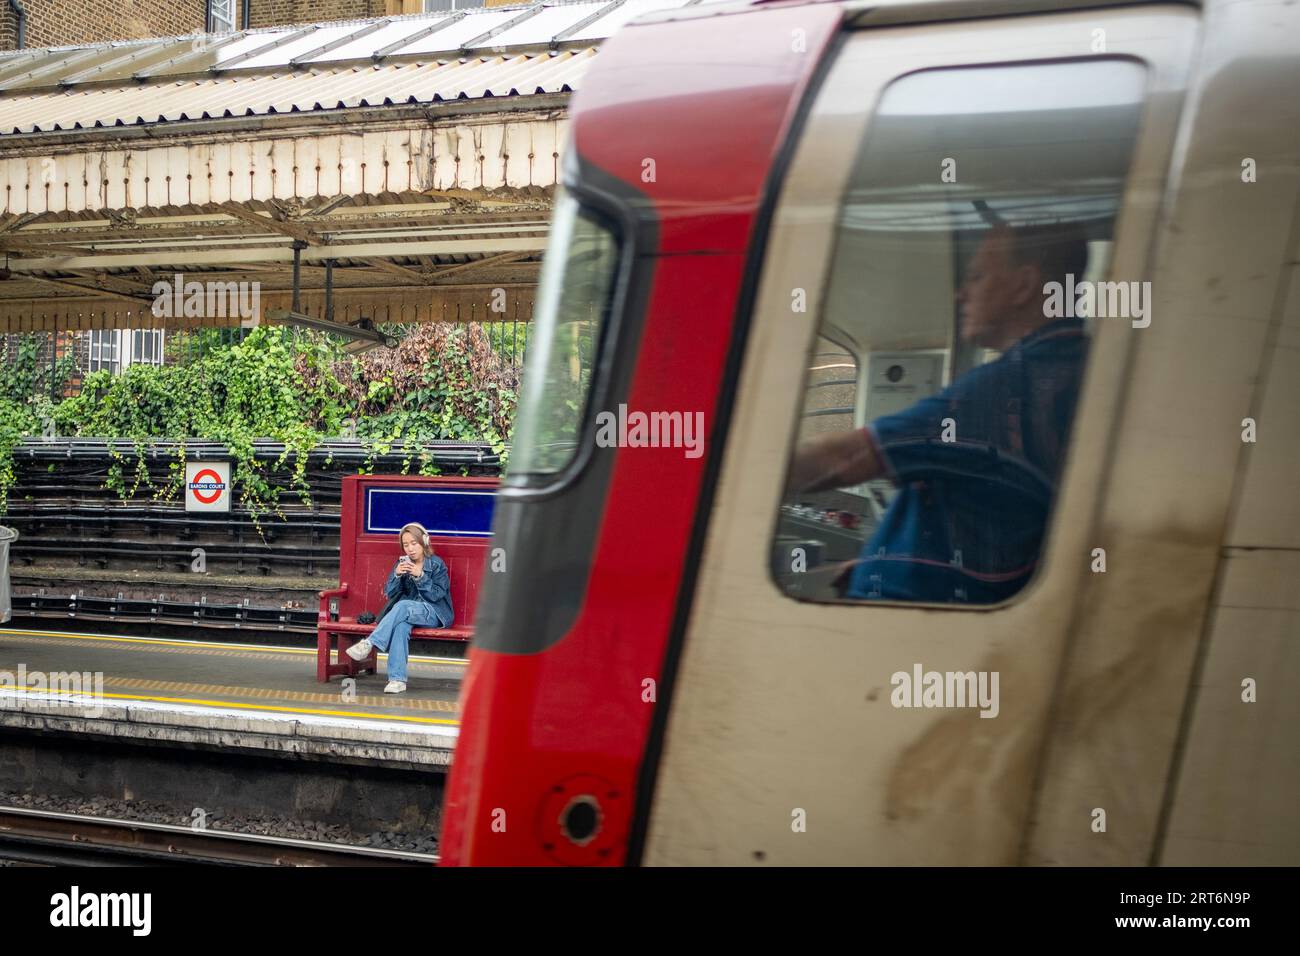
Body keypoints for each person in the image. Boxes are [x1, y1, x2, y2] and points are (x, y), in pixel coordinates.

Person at [786, 222, 1091, 604]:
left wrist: (755, 474)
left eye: (977, 277)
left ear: (1024, 286)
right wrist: (877, 564)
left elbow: (844, 459)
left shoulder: (1004, 388)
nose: (961, 294)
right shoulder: (1079, 372)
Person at [346, 521, 454, 693]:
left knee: (403, 606)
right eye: (406, 545)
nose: (410, 549)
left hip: (435, 613)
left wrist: (420, 576)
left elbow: (437, 595)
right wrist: (396, 575)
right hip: (410, 613)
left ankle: (369, 643)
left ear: (424, 542)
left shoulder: (436, 564)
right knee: (401, 627)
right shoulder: (402, 563)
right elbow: (390, 593)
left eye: (414, 543)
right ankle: (397, 680)